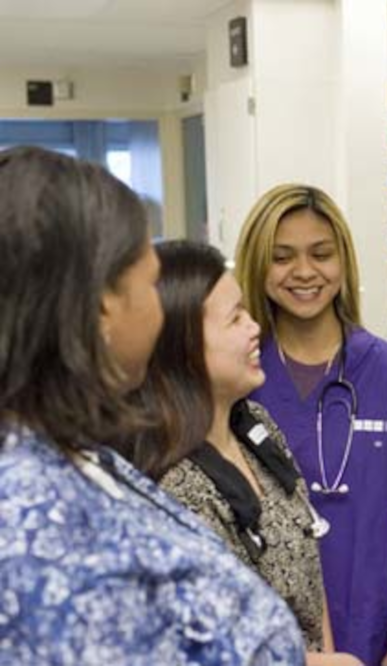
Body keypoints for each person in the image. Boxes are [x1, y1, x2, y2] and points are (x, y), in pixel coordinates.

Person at [0, 146, 304, 664]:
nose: (160, 313)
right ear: (101, 307)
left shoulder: (75, 455)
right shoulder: (34, 526)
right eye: (147, 282)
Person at [234, 184, 387, 666]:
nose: (305, 272)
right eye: (282, 257)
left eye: (321, 254)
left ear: (344, 261)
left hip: (369, 626)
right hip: (268, 630)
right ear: (257, 264)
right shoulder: (239, 377)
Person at [126, 240, 362, 666]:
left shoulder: (256, 427)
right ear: (184, 345)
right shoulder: (174, 489)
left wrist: (326, 654)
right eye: (235, 318)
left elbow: (309, 569)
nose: (255, 328)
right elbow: (216, 649)